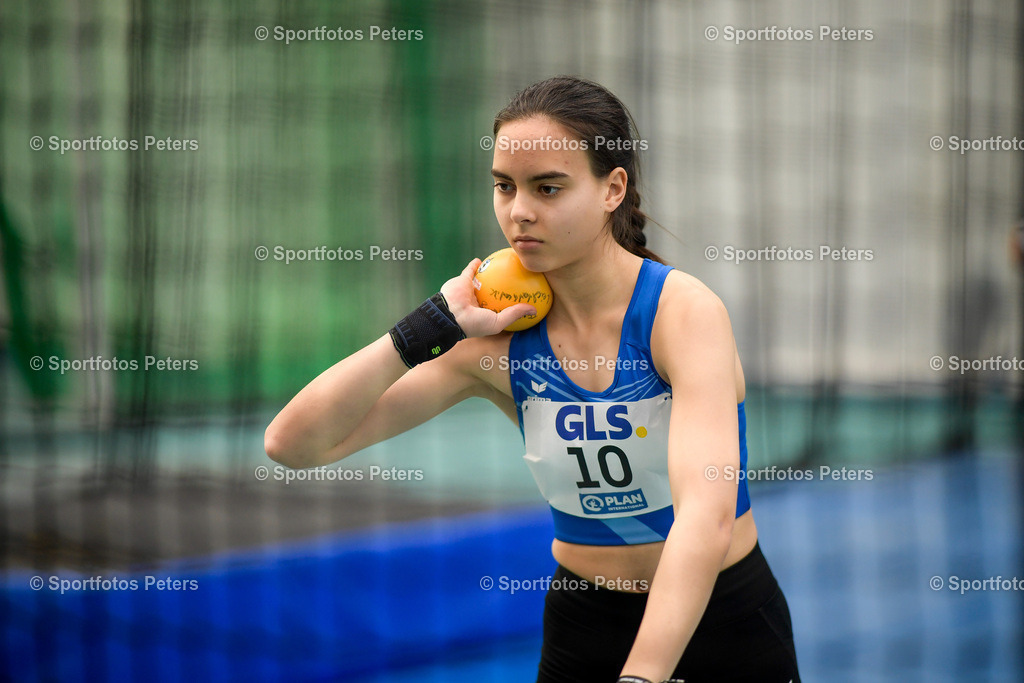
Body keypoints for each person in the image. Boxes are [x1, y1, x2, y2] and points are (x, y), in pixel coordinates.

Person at [265, 75, 800, 683]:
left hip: (721, 619)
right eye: (504, 186)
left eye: (549, 187)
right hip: (585, 623)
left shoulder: (682, 313)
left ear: (612, 188)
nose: (519, 211)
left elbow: (705, 515)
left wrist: (641, 677)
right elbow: (293, 445)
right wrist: (426, 327)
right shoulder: (494, 341)